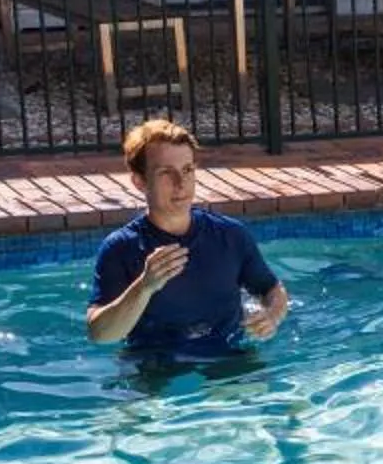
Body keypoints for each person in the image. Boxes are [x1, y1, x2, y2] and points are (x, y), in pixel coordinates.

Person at [84, 119, 290, 359]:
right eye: (166, 173)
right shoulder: (121, 248)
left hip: (226, 352)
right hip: (153, 359)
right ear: (139, 181)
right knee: (142, 397)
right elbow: (100, 334)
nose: (180, 184)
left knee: (263, 396)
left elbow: (273, 289)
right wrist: (144, 287)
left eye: (187, 170)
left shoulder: (230, 236)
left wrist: (271, 317)